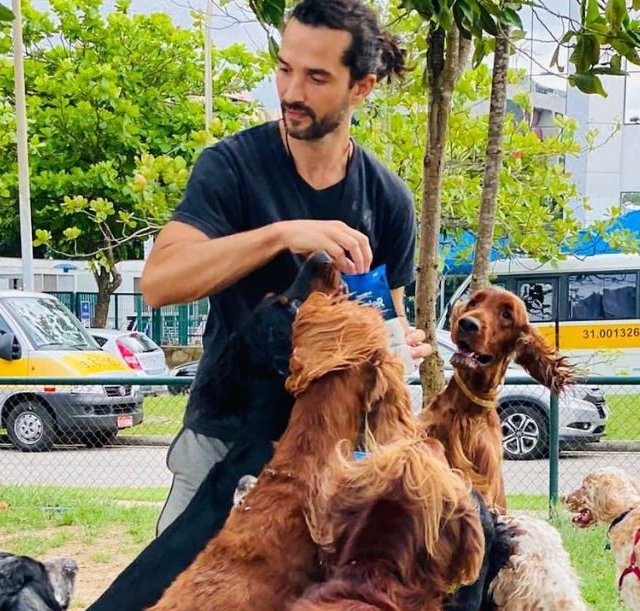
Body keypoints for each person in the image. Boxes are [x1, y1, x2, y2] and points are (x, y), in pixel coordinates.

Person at [141, 0, 430, 534]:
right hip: (226, 434)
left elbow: (385, 323)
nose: (292, 92)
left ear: (361, 87)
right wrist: (280, 235)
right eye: (284, 68)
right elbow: (159, 283)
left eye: (317, 77)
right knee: (178, 608)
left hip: (336, 451)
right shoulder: (230, 168)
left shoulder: (388, 198)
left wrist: (396, 346)